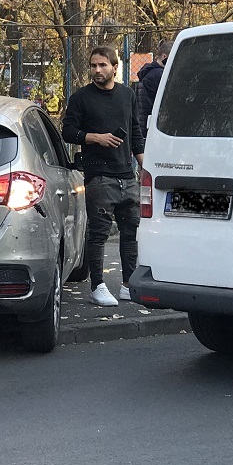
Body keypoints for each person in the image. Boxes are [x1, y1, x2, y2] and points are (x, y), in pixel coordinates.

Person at [61, 46, 145, 306]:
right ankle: (97, 286)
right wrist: (95, 137)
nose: (97, 70)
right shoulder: (81, 98)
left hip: (127, 175)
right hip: (98, 176)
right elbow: (68, 131)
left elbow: (135, 130)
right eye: (93, 65)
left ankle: (128, 284)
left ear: (115, 67)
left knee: (131, 232)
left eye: (102, 65)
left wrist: (143, 165)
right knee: (99, 234)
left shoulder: (127, 95)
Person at [135, 39, 173, 138]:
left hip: (145, 124)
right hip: (155, 127)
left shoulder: (149, 72)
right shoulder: (159, 75)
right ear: (164, 57)